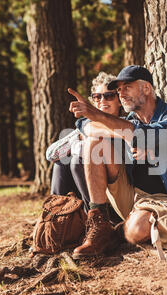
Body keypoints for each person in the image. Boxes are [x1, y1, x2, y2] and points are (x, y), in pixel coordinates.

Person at [68, 65, 167, 259]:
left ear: (146, 88)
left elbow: (144, 134)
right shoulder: (131, 121)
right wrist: (128, 135)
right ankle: (99, 224)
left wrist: (135, 136)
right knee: (95, 145)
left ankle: (118, 231)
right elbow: (86, 126)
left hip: (165, 201)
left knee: (134, 231)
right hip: (132, 196)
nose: (121, 93)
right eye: (118, 90)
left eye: (127, 87)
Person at [49, 72, 123, 213]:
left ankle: (97, 219)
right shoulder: (86, 125)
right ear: (92, 101)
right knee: (62, 162)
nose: (102, 101)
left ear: (119, 100)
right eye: (97, 97)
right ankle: (55, 218)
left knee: (77, 160)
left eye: (109, 96)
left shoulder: (126, 123)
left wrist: (80, 144)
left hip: (115, 190)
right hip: (86, 185)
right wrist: (78, 140)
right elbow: (51, 154)